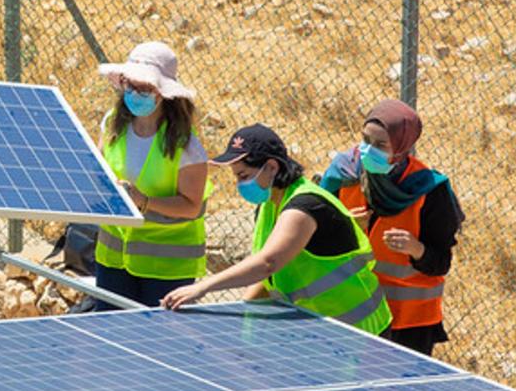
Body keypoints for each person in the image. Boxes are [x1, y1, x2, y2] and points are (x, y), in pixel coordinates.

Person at [161, 124, 392, 336]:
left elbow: (267, 263)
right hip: (321, 329)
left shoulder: (305, 207)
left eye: (243, 176)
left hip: (362, 332)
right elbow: (267, 278)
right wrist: (244, 325)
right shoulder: (269, 205)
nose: (239, 184)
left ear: (271, 167)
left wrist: (201, 288)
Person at [318, 100, 464, 356]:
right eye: (365, 140)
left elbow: (441, 262)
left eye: (380, 145)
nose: (366, 150)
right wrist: (345, 226)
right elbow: (313, 238)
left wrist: (416, 248)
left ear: (401, 148)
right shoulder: (343, 174)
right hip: (352, 312)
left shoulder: (429, 189)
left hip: (408, 324)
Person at [75, 41, 211, 310]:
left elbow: (191, 205)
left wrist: (143, 201)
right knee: (111, 337)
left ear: (162, 92)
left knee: (156, 344)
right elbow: (100, 170)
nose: (136, 93)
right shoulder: (113, 124)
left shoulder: (186, 145)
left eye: (145, 88)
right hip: (113, 259)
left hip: (166, 269)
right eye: (131, 85)